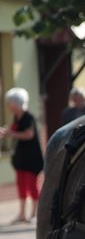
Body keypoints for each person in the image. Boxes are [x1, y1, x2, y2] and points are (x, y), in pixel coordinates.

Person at [0, 87, 44, 223]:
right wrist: (5, 131)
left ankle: (35, 214)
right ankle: (22, 215)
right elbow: (13, 129)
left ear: (17, 103)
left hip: (32, 158)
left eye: (10, 102)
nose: (8, 105)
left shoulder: (28, 117)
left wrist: (10, 134)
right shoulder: (17, 117)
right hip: (21, 159)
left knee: (32, 186)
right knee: (21, 186)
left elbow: (29, 135)